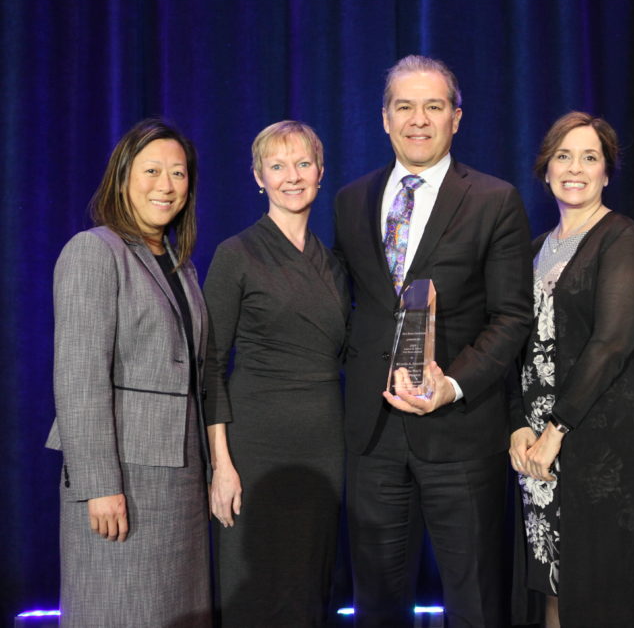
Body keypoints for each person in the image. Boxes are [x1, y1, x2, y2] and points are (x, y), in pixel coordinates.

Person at [332, 55, 533, 628]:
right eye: (405, 107)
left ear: (456, 118)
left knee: (474, 603)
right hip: (372, 436)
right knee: (376, 604)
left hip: (461, 434)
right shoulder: (350, 201)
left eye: (433, 106)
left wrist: (452, 385)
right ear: (384, 119)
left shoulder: (494, 199)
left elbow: (511, 316)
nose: (418, 119)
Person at [45, 119, 210, 627]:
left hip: (180, 483)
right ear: (122, 179)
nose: (167, 185)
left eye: (178, 173)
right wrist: (99, 485)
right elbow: (79, 377)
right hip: (123, 484)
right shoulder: (94, 251)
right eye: (152, 171)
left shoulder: (180, 263)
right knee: (116, 610)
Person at [509, 111, 634, 628]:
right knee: (553, 581)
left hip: (601, 443)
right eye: (564, 156)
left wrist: (556, 429)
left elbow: (612, 343)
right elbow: (513, 347)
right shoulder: (534, 250)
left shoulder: (621, 237)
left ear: (606, 172)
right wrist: (518, 425)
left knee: (601, 588)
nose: (575, 168)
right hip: (538, 450)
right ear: (546, 169)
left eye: (589, 157)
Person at [203, 121, 348, 626]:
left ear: (321, 173)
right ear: (258, 177)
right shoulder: (235, 254)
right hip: (256, 446)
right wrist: (221, 465)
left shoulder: (335, 264)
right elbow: (210, 365)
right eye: (278, 166)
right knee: (256, 590)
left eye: (303, 164)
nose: (292, 176)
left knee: (310, 589)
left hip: (324, 445)